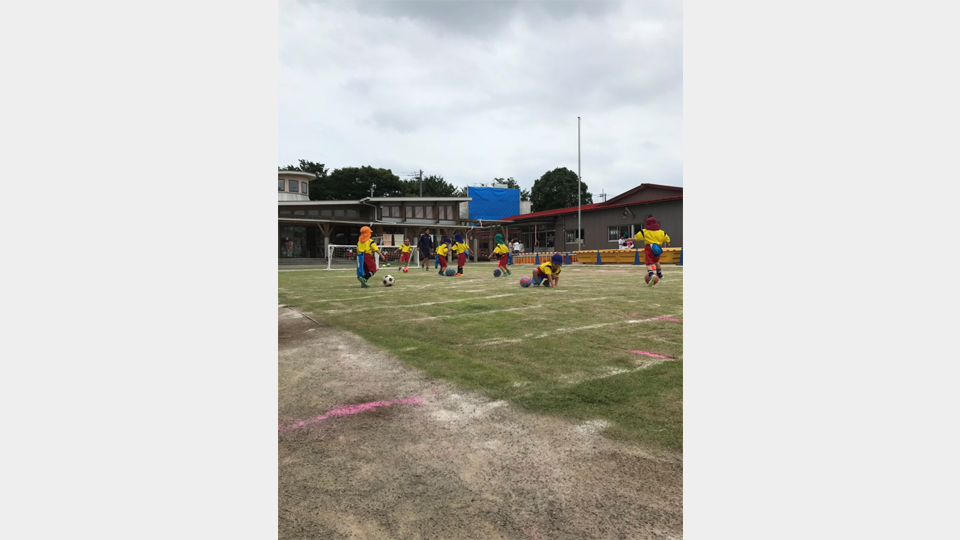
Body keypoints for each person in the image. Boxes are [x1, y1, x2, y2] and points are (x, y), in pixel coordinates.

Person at [634, 216, 671, 286]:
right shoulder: (662, 232)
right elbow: (667, 240)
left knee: (648, 263)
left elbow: (636, 238)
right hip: (657, 248)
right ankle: (660, 274)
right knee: (656, 261)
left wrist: (628, 239)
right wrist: (666, 245)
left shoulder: (644, 231)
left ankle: (651, 274)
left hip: (649, 247)